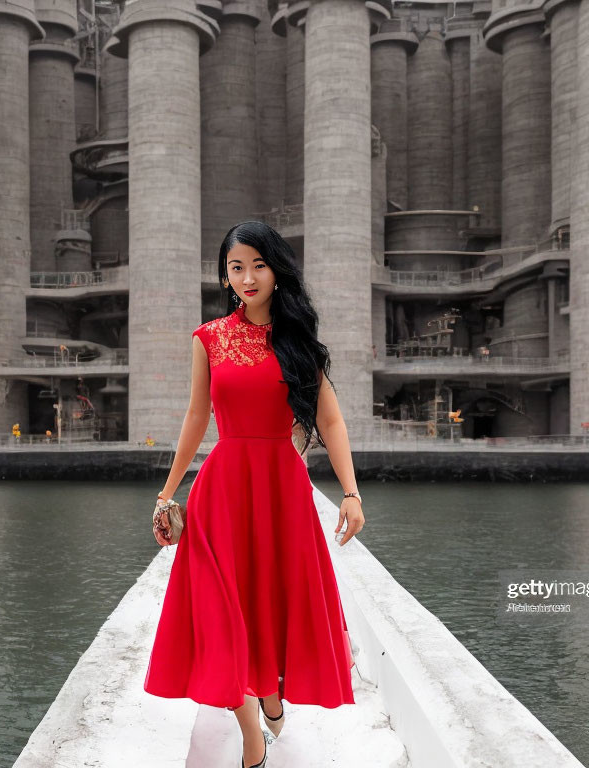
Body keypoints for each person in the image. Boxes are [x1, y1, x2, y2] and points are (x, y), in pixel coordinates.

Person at [143, 221, 365, 768]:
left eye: (257, 265)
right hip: (221, 489)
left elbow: (331, 423)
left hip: (283, 490)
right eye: (235, 267)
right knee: (223, 612)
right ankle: (251, 738)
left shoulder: (299, 344)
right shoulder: (209, 338)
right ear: (225, 274)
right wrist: (167, 494)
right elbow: (197, 417)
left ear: (276, 270)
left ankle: (270, 691)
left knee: (267, 603)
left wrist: (352, 495)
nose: (246, 277)